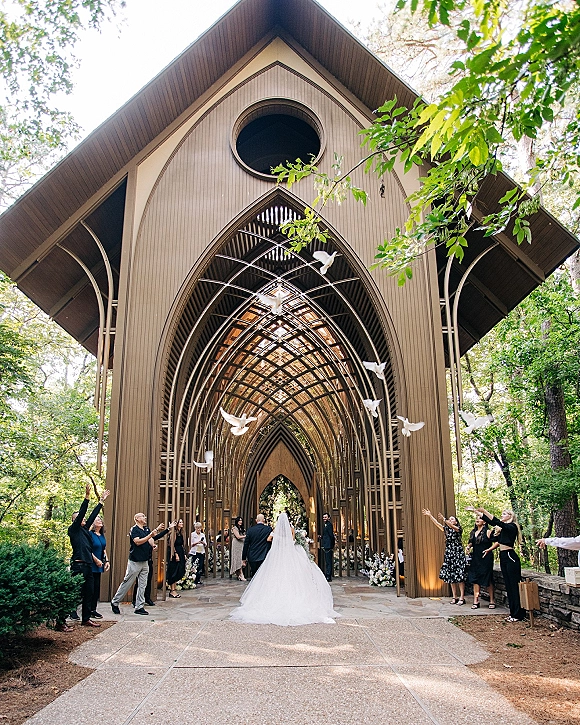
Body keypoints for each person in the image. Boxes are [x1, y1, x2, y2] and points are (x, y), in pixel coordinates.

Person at [230, 512, 339, 625]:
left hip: (277, 555)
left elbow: (268, 539)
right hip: (289, 553)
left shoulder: (275, 530)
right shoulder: (291, 529)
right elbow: (292, 541)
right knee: (291, 575)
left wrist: (277, 540)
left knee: (274, 575)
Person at [467, 506, 525, 622]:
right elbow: (491, 522)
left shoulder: (512, 527)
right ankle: (513, 613)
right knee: (508, 586)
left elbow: (496, 521)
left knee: (513, 586)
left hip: (510, 556)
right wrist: (476, 512)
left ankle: (518, 614)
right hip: (503, 556)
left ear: (510, 516)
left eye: (504, 514)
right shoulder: (503, 529)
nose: (502, 515)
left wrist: (484, 511)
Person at [111, 514, 174, 616]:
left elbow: (151, 539)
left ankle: (139, 606)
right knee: (127, 582)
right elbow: (137, 542)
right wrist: (150, 535)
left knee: (142, 585)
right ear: (137, 519)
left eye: (145, 516)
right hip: (135, 561)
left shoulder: (146, 529)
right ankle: (115, 601)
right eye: (142, 516)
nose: (145, 517)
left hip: (145, 562)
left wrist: (154, 543)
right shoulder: (134, 529)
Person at [67, 485, 110, 628]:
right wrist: (87, 497)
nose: (84, 518)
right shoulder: (73, 530)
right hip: (78, 565)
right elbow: (83, 513)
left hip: (88, 566)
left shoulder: (85, 530)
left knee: (89, 592)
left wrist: (101, 501)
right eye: (80, 517)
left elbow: (91, 515)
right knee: (74, 592)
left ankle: (86, 619)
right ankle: (64, 618)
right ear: (74, 520)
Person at [422, 508, 467, 605]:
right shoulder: (447, 530)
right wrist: (430, 516)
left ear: (456, 522)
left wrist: (444, 519)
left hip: (457, 553)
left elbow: (450, 525)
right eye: (449, 519)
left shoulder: (458, 529)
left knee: (460, 576)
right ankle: (454, 596)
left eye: (452, 519)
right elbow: (438, 524)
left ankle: (462, 597)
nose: (450, 521)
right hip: (449, 553)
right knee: (450, 575)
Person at [466, 513, 497, 609]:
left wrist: (489, 549)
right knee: (475, 578)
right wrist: (468, 547)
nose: (477, 519)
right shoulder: (473, 532)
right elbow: (471, 542)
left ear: (484, 522)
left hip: (485, 557)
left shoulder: (488, 531)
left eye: (479, 518)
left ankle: (492, 600)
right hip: (475, 557)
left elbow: (497, 541)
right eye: (476, 518)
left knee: (488, 578)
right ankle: (476, 601)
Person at [89, 515, 109, 619]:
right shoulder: (90, 534)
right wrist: (96, 560)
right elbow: (88, 550)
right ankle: (88, 610)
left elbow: (103, 549)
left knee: (97, 588)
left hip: (99, 565)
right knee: (90, 588)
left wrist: (107, 561)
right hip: (92, 564)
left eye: (101, 519)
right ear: (93, 523)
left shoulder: (101, 535)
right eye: (97, 520)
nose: (100, 521)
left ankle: (94, 609)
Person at [167, 518, 186, 597]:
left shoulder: (181, 533)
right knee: (174, 571)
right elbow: (172, 544)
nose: (182, 523)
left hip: (180, 552)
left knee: (180, 570)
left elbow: (182, 544)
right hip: (175, 553)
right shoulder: (174, 533)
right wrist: (175, 554)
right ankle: (172, 590)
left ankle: (174, 589)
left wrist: (183, 554)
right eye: (180, 522)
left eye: (182, 522)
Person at [320, 512, 335, 582]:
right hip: (326, 544)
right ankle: (327, 574)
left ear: (329, 518)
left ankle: (328, 576)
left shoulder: (329, 525)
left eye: (325, 517)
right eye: (323, 517)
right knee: (327, 561)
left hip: (328, 545)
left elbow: (331, 535)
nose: (324, 518)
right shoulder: (325, 525)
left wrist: (331, 544)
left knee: (328, 561)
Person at [230, 516, 246, 581]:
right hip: (236, 544)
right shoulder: (234, 528)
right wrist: (246, 536)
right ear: (237, 521)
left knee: (241, 558)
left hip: (241, 544)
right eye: (239, 520)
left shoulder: (242, 528)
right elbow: (238, 536)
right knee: (237, 558)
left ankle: (238, 574)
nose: (240, 521)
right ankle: (241, 574)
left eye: (241, 520)